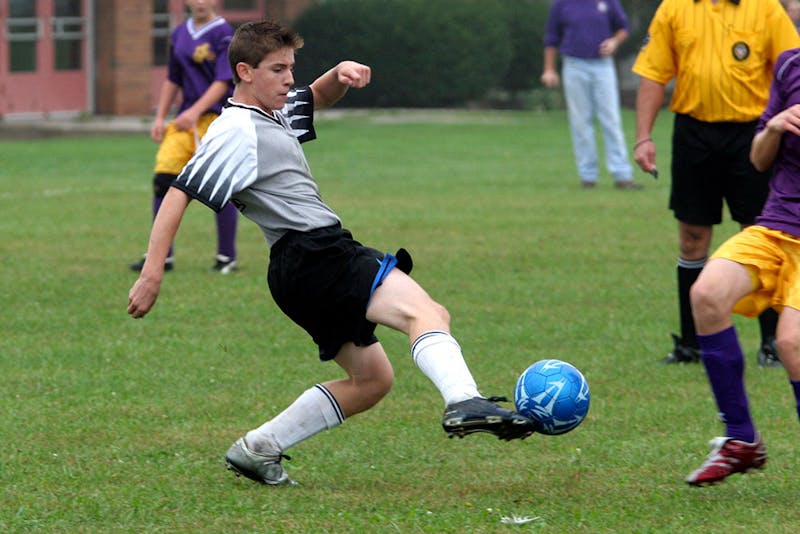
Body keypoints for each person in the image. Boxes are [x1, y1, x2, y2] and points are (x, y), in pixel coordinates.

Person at [127, 20, 538, 486]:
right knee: (426, 312)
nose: (288, 79)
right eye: (277, 69)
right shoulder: (235, 130)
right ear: (244, 71)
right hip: (317, 254)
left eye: (291, 68)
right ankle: (464, 399)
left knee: (372, 381)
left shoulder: (272, 109)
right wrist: (152, 272)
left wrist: (337, 73)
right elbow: (180, 192)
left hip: (297, 270)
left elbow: (314, 97)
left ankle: (258, 447)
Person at [631, 0, 800, 366]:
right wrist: (643, 137)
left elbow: (792, 67)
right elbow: (653, 74)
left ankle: (772, 342)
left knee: (762, 233)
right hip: (694, 133)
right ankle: (691, 344)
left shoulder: (766, 8)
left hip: (754, 134)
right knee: (692, 238)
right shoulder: (674, 9)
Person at [684, 47, 800, 486]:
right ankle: (741, 440)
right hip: (775, 227)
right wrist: (774, 124)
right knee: (706, 294)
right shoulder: (790, 64)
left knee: (791, 342)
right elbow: (757, 159)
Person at [130, 0, 239, 274]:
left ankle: (227, 256)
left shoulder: (224, 33)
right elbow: (172, 78)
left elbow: (223, 82)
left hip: (215, 119)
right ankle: (162, 256)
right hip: (183, 120)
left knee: (219, 186)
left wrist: (196, 111)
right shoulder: (179, 33)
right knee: (163, 180)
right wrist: (160, 116)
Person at [541, 0, 639, 190]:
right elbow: (551, 38)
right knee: (580, 122)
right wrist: (549, 69)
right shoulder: (562, 4)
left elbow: (623, 28)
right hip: (574, 64)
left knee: (611, 119)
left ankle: (622, 175)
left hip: (603, 66)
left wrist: (614, 41)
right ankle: (587, 176)